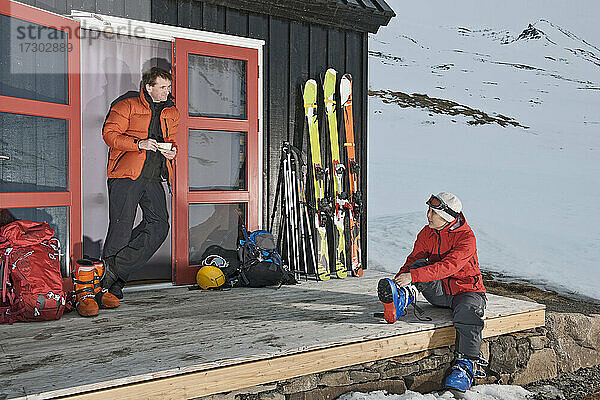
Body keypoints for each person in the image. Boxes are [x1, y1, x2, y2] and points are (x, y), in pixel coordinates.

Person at [378, 192, 486, 392]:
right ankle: (402, 296)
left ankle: (466, 365)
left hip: (466, 290)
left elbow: (449, 267)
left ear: (446, 217)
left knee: (468, 312)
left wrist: (413, 276)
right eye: (428, 210)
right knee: (418, 265)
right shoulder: (427, 232)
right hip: (440, 291)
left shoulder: (466, 238)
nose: (427, 215)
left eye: (432, 212)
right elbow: (413, 260)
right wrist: (399, 281)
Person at [100, 67, 179, 299]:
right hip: (126, 174)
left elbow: (173, 140)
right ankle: (113, 286)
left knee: (159, 226)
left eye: (169, 87)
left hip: (155, 175)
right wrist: (138, 144)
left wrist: (173, 152)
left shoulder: (172, 112)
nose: (167, 91)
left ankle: (112, 270)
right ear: (149, 87)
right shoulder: (127, 106)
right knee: (121, 228)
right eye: (163, 87)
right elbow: (109, 134)